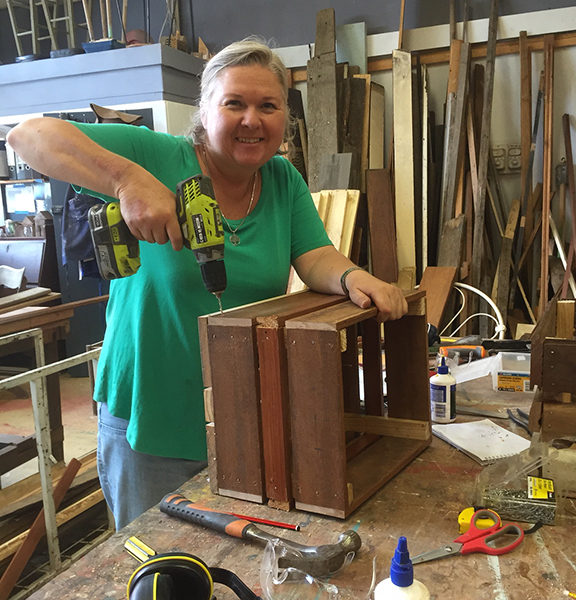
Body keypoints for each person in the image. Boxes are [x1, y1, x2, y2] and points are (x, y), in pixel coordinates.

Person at [7, 37, 407, 530]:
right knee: (157, 567)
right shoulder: (155, 154)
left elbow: (315, 255)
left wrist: (354, 277)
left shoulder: (282, 179)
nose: (251, 120)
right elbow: (26, 135)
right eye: (234, 103)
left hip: (246, 413)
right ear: (204, 109)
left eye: (268, 106)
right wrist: (127, 180)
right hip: (153, 417)